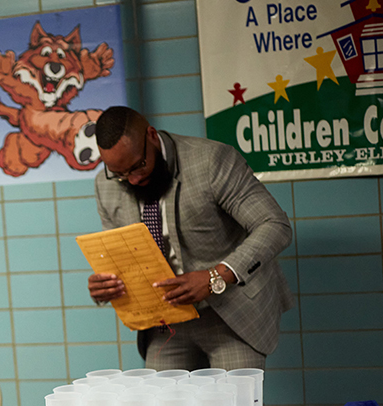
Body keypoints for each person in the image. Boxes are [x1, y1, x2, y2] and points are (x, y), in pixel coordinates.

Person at [87, 106, 293, 371]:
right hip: (166, 322)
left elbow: (274, 224)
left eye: (138, 165)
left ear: (151, 135)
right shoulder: (105, 184)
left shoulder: (210, 161)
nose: (134, 179)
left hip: (230, 310)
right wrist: (107, 285)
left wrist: (215, 276)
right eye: (121, 173)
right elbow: (123, 258)